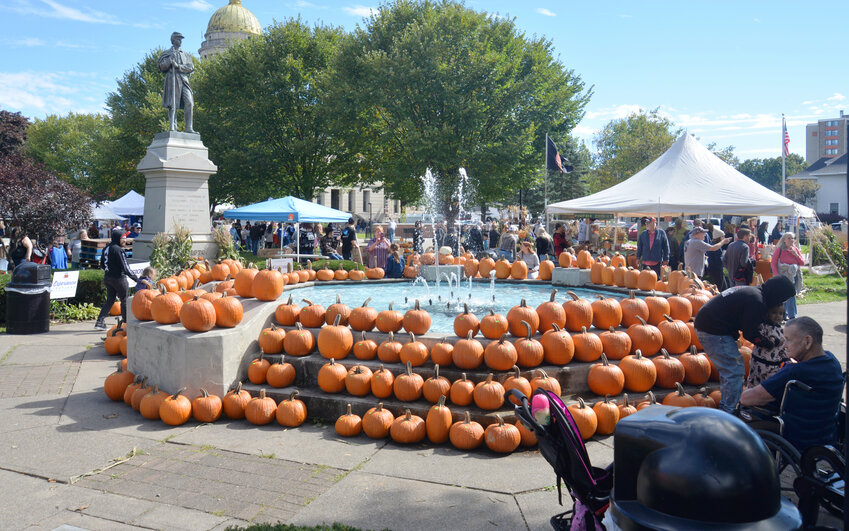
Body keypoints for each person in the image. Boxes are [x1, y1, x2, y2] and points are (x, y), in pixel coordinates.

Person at [694, 275, 796, 413]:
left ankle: (728, 406)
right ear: (777, 294)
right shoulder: (757, 301)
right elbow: (750, 333)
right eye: (782, 299)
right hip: (713, 331)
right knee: (734, 370)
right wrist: (768, 343)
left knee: (730, 370)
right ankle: (730, 411)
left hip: (710, 326)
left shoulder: (754, 292)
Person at [740, 317, 843, 451]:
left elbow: (746, 399)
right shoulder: (833, 362)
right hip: (824, 435)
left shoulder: (796, 372)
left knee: (740, 417)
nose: (784, 345)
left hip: (794, 437)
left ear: (807, 341)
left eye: (788, 340)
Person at [95, 228, 141, 330]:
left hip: (108, 278)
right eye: (123, 238)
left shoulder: (106, 248)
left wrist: (110, 270)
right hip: (119, 279)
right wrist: (136, 278)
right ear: (117, 238)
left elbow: (102, 264)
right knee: (124, 300)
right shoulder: (118, 250)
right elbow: (125, 266)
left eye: (125, 238)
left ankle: (99, 321)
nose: (125, 240)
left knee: (110, 300)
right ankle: (126, 324)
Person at [744, 304, 788, 389]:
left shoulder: (782, 331)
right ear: (767, 314)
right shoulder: (763, 327)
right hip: (757, 363)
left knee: (769, 387)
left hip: (773, 366)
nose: (777, 316)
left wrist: (786, 358)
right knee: (753, 384)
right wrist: (769, 342)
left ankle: (766, 401)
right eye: (774, 313)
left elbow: (782, 348)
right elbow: (757, 339)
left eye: (781, 313)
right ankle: (750, 400)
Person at [158, 32, 194, 132]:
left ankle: (189, 127)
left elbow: (191, 67)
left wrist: (178, 66)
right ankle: (173, 126)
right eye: (178, 39)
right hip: (172, 79)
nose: (180, 41)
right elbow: (161, 67)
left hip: (184, 80)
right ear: (173, 40)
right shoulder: (167, 53)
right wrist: (170, 60)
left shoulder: (186, 55)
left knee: (189, 103)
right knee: (172, 104)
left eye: (181, 39)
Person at [771, 232, 805, 319]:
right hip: (783, 276)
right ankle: (788, 315)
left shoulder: (795, 249)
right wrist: (777, 276)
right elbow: (773, 264)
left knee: (791, 294)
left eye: (792, 238)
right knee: (785, 296)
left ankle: (790, 315)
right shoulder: (779, 250)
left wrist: (796, 255)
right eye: (789, 238)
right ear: (784, 240)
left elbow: (802, 263)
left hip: (793, 276)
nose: (791, 240)